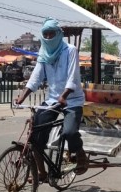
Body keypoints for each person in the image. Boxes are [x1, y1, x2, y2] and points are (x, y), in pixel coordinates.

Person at [14, 18, 88, 182]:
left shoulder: (70, 50)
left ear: (59, 34)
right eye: (45, 34)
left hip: (72, 100)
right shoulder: (43, 51)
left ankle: (80, 153)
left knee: (69, 132)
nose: (48, 37)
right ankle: (41, 172)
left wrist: (65, 96)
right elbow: (36, 77)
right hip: (53, 100)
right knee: (35, 135)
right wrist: (22, 96)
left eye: (51, 34)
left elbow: (73, 77)